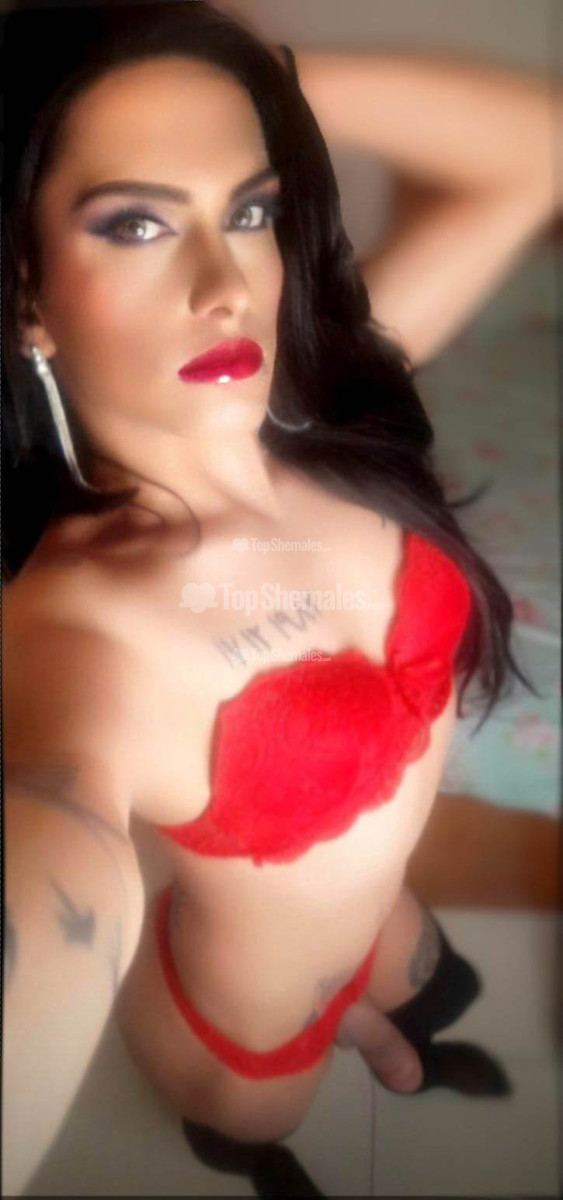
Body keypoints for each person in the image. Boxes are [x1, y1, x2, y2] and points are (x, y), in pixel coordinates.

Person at [2, 2, 556, 1195]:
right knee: (261, 1127)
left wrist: (257, 86)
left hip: (387, 916)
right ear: (26, 294)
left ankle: (392, 1025)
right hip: (247, 1041)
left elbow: (538, 149)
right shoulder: (74, 628)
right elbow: (43, 826)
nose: (225, 285)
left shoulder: (320, 412)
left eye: (249, 210)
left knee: (428, 993)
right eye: (137, 223)